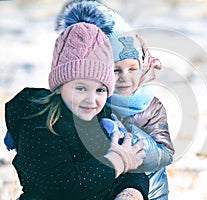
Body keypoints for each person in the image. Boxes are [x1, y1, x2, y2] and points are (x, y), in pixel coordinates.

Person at [5, 21, 149, 200]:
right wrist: (115, 163)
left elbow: (133, 165)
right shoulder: (39, 123)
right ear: (59, 86)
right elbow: (64, 187)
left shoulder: (104, 119)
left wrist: (131, 192)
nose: (91, 100)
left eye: (100, 90)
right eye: (81, 88)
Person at [56, 1, 175, 199]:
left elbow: (165, 154)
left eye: (132, 68)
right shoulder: (94, 102)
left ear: (143, 66)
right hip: (105, 187)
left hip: (150, 191)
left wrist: (126, 137)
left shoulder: (151, 106)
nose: (125, 77)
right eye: (115, 70)